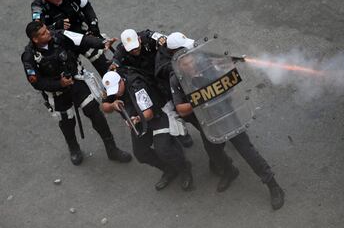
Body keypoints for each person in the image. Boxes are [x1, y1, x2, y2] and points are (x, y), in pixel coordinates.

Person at [168, 32, 285, 210]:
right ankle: (230, 171)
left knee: (247, 151)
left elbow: (225, 67)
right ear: (178, 62)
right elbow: (181, 110)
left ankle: (273, 185)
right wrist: (198, 101)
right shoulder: (176, 79)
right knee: (213, 152)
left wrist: (231, 62)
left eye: (190, 58)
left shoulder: (203, 61)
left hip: (226, 113)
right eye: (185, 62)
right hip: (208, 121)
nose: (190, 63)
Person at [21, 20, 132, 166]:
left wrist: (101, 43)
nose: (48, 33)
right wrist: (59, 84)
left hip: (76, 81)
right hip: (56, 93)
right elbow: (37, 82)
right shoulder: (29, 57)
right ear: (35, 39)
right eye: (43, 33)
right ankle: (73, 148)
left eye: (46, 29)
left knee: (95, 112)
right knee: (67, 122)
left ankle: (112, 149)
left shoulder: (59, 36)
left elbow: (82, 40)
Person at [101, 70, 193, 191]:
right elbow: (104, 107)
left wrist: (137, 119)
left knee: (163, 149)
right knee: (140, 153)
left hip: (157, 117)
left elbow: (149, 113)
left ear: (121, 81)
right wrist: (112, 105)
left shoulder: (137, 87)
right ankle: (169, 169)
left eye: (117, 89)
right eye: (112, 91)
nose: (116, 93)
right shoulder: (112, 91)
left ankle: (184, 168)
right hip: (138, 124)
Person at [111, 29, 193, 147]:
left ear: (139, 39)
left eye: (136, 46)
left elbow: (166, 42)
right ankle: (178, 134)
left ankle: (183, 133)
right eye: (131, 49)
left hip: (160, 75)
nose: (135, 50)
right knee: (164, 109)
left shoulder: (148, 37)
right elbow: (114, 66)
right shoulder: (120, 52)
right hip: (145, 83)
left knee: (175, 103)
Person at [31, 0, 109, 76]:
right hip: (61, 43)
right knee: (74, 75)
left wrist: (93, 25)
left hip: (81, 32)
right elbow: (39, 32)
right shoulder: (38, 7)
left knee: (102, 63)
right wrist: (56, 26)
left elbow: (86, 6)